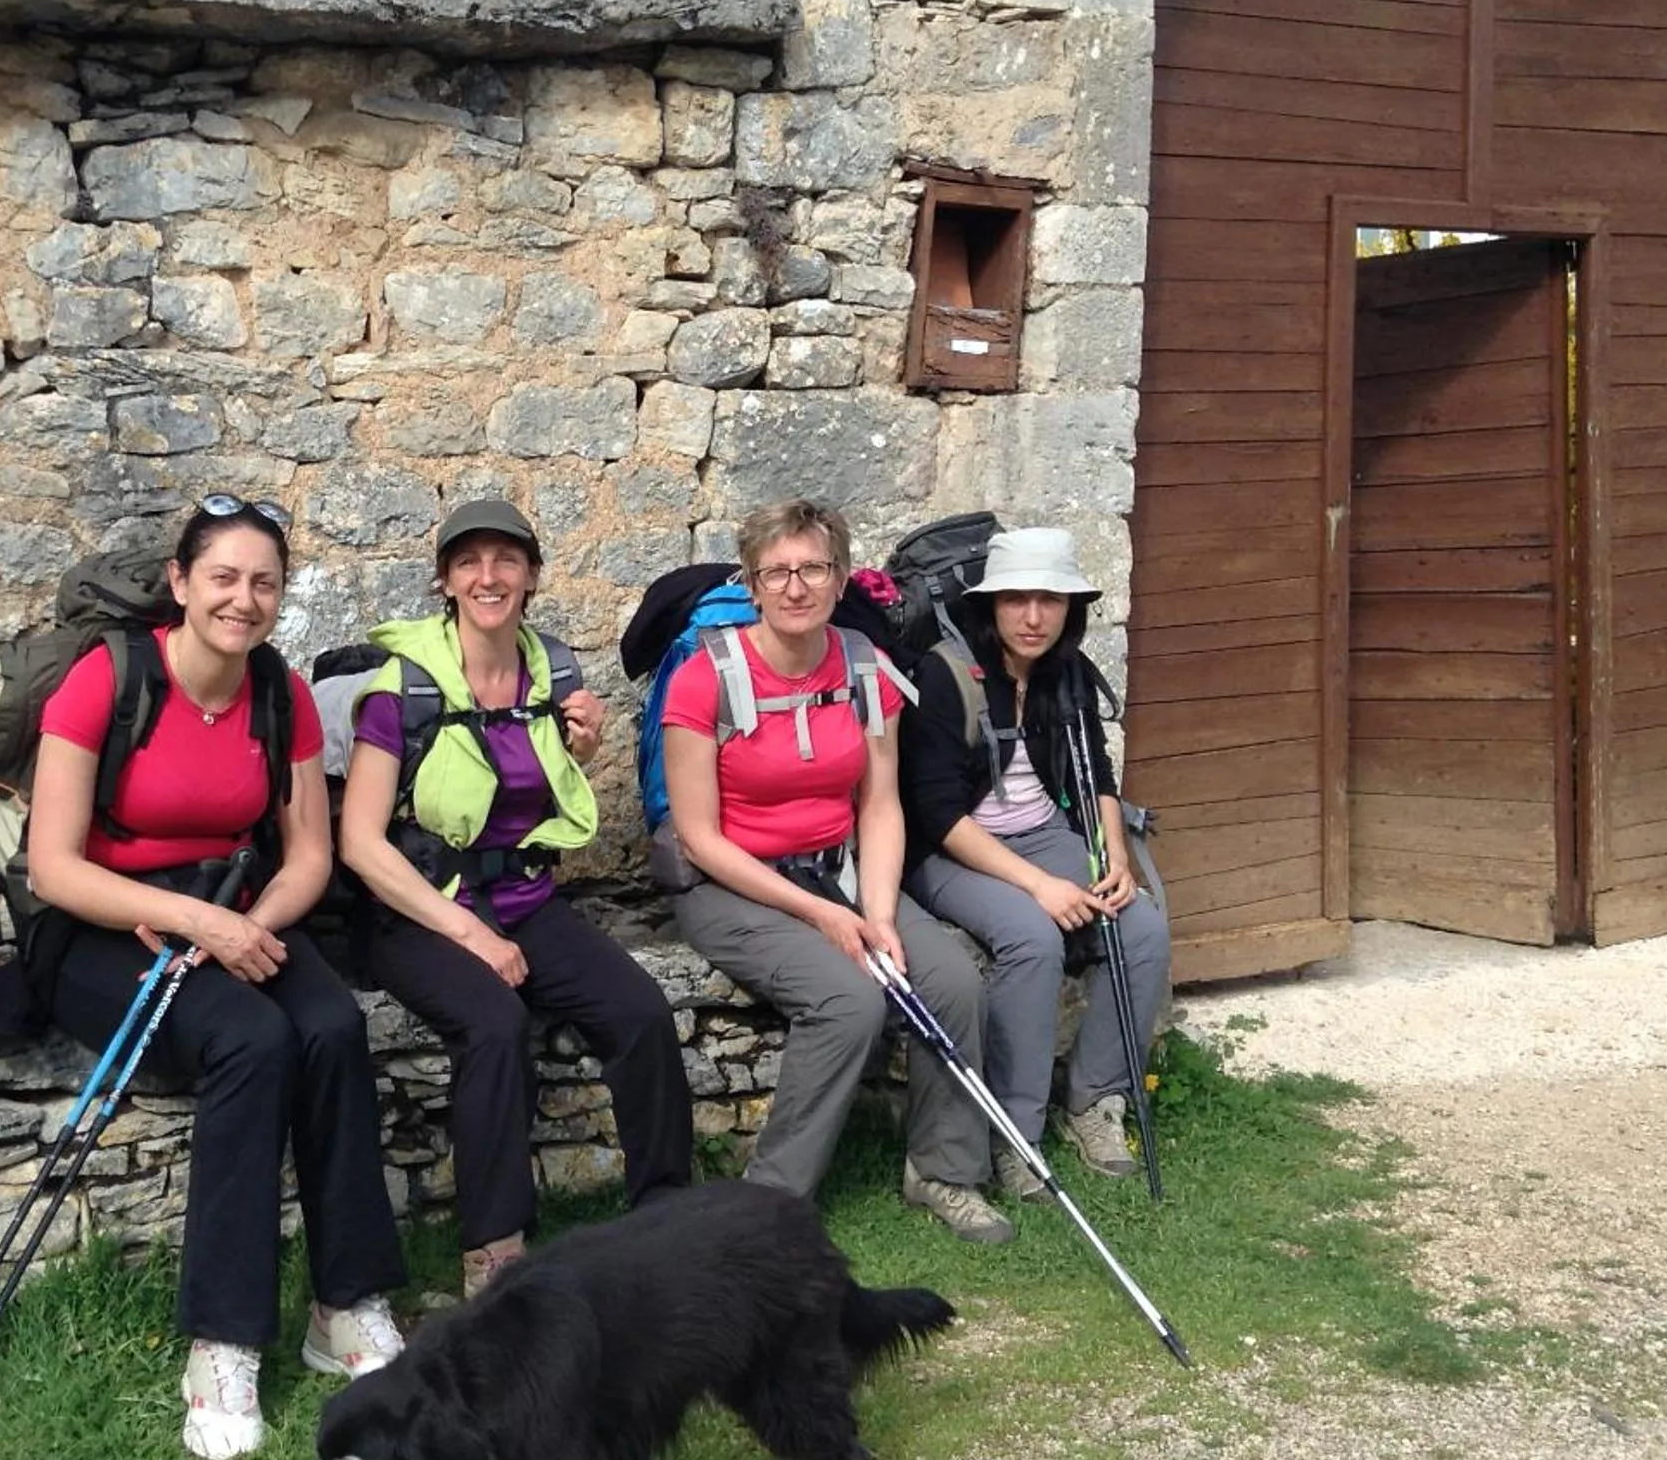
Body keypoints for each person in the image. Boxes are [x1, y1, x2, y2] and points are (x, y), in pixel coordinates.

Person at [24, 495, 407, 1460]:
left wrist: (244, 929)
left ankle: (346, 1304)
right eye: (225, 578)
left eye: (264, 583)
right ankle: (222, 1344)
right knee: (252, 1037)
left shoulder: (277, 694)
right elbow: (52, 867)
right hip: (104, 923)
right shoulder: (104, 683)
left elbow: (309, 855)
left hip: (238, 905)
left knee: (329, 1024)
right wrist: (200, 926)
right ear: (182, 585)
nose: (245, 600)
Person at [339, 497, 692, 1298]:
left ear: (532, 576)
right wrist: (471, 937)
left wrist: (586, 750)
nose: (488, 576)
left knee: (639, 1012)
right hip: (416, 906)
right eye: (469, 561)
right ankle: (495, 1254)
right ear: (445, 579)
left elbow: (541, 801)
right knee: (495, 1023)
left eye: (506, 560)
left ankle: (667, 1217)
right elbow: (360, 842)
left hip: (525, 898)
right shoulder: (405, 689)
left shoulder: (552, 672)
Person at [657, 497, 1008, 1244]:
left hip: (840, 869)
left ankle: (944, 1170)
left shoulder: (862, 665)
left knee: (950, 980)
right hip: (734, 881)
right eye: (776, 571)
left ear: (841, 577)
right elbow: (699, 835)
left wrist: (877, 910)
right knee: (849, 1000)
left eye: (813, 567)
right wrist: (823, 915)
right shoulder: (703, 677)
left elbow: (880, 805)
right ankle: (771, 1205)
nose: (795, 586)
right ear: (751, 584)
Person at [900, 525, 1173, 1199]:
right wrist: (1040, 886)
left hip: (1041, 832)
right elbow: (936, 813)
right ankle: (1016, 1132)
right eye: (1017, 599)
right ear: (990, 603)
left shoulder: (1066, 671)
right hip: (953, 850)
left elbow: (1096, 777)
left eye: (1049, 600)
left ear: (1069, 608)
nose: (1033, 616)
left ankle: (1094, 1099)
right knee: (1030, 936)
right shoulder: (946, 672)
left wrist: (1112, 858)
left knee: (1139, 927)